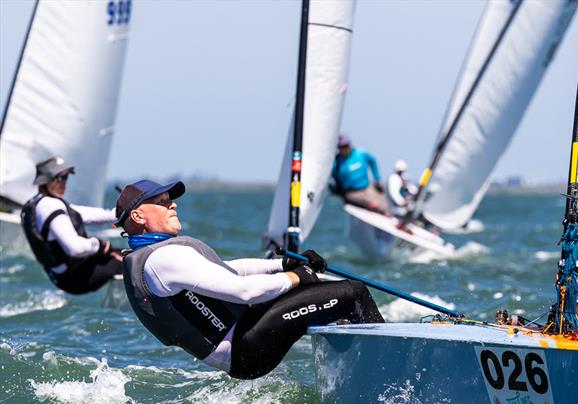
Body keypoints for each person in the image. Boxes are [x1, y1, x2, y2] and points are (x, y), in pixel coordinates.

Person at [116, 179, 385, 379]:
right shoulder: (163, 260)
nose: (172, 204)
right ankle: (387, 370)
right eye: (162, 202)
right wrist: (297, 277)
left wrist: (283, 265)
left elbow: (229, 270)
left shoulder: (156, 256)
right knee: (353, 292)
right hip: (246, 347)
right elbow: (243, 291)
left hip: (244, 339)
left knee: (326, 295)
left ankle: (356, 370)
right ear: (139, 216)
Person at [20, 155, 122, 294]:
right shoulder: (51, 206)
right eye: (59, 177)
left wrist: (118, 213)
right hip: (75, 276)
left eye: (66, 177)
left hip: (62, 276)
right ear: (45, 181)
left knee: (121, 253)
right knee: (133, 260)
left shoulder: (39, 203)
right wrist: (100, 245)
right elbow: (75, 249)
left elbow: (84, 214)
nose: (64, 182)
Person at [330, 133, 391, 216]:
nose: (344, 149)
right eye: (342, 147)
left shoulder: (360, 153)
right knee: (374, 205)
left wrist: (377, 178)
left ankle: (392, 219)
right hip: (351, 193)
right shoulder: (336, 162)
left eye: (346, 146)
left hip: (366, 188)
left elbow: (372, 160)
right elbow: (332, 176)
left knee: (384, 202)